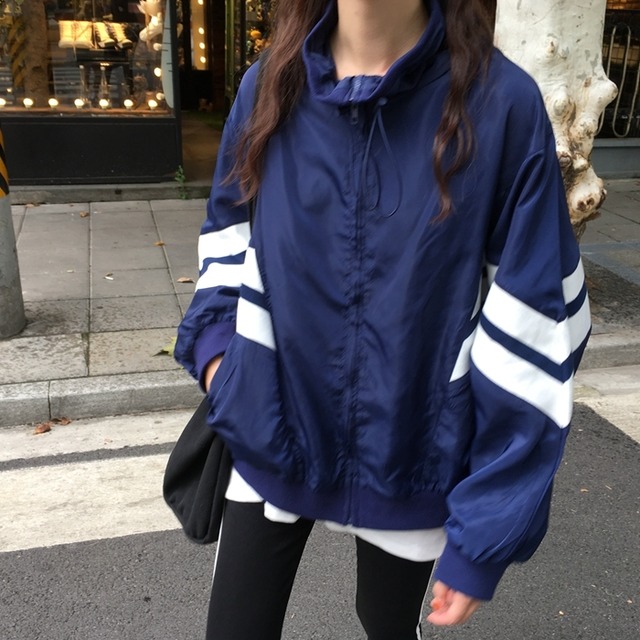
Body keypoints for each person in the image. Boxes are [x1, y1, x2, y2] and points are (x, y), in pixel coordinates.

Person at [174, 0, 592, 637]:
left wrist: (484, 531)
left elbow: (537, 320)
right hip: (269, 437)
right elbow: (228, 237)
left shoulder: (502, 104)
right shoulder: (270, 86)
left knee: (388, 626)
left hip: (417, 457)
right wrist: (224, 367)